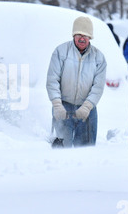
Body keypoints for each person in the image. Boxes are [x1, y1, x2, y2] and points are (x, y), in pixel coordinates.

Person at [46, 16, 107, 148]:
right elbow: (52, 80)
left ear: (90, 37)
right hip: (63, 107)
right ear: (73, 35)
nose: (82, 38)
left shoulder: (99, 58)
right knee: (61, 151)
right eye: (79, 34)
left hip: (87, 111)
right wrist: (57, 105)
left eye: (85, 35)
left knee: (85, 151)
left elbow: (98, 87)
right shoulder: (60, 52)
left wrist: (87, 107)